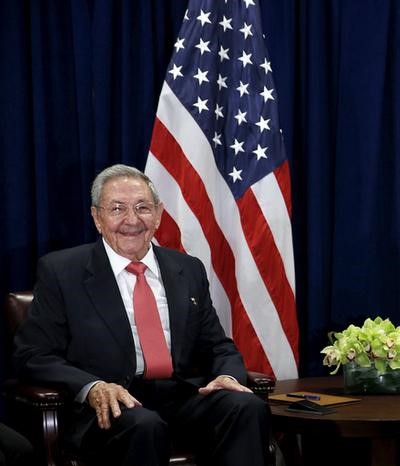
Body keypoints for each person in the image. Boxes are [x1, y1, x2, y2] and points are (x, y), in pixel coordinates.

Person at [13, 164, 270, 466]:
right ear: (97, 218)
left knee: (245, 406)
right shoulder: (61, 271)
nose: (131, 220)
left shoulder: (188, 269)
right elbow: (34, 354)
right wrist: (92, 387)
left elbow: (216, 345)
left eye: (142, 208)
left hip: (183, 395)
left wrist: (227, 375)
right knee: (144, 425)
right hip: (111, 405)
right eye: (117, 209)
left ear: (159, 215)